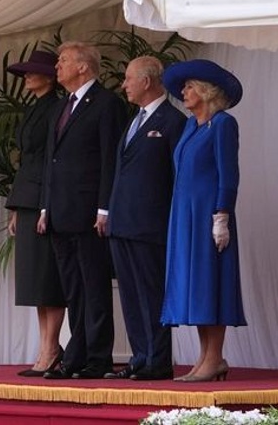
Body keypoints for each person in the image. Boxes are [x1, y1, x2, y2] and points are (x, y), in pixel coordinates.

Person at [40, 41, 125, 380]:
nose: (57, 66)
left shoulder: (106, 104)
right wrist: (45, 207)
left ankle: (98, 357)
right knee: (74, 289)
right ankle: (77, 354)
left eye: (63, 60)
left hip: (90, 212)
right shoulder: (62, 106)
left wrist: (105, 208)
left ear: (83, 66)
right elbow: (52, 161)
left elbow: (109, 159)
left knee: (94, 285)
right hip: (60, 211)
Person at [160, 59, 245, 382]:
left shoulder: (223, 124)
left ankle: (214, 357)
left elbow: (229, 174)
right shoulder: (190, 126)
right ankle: (206, 356)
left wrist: (222, 215)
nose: (183, 92)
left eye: (189, 87)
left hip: (209, 213)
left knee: (211, 281)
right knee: (193, 285)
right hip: (184, 215)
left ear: (206, 91)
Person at [104, 56, 185, 381]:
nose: (123, 84)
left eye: (128, 78)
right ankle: (140, 357)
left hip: (151, 224)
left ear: (147, 81)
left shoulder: (173, 121)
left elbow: (177, 177)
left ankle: (157, 360)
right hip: (123, 222)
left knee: (151, 293)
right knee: (131, 295)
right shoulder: (134, 120)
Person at [3, 49, 66, 377]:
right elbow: (26, 161)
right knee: (33, 282)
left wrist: (45, 204)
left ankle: (51, 348)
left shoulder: (58, 108)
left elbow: (53, 162)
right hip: (27, 198)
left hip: (45, 198)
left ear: (50, 77)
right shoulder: (34, 109)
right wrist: (16, 206)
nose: (26, 76)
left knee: (47, 277)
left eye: (33, 71)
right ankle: (45, 347)